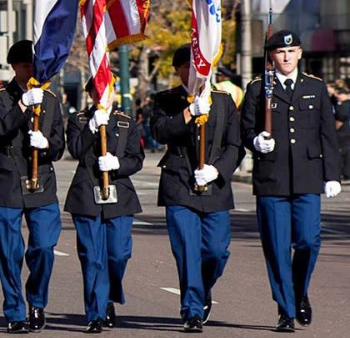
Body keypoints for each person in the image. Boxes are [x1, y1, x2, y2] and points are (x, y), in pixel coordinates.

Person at [240, 29, 342, 331]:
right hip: (272, 178)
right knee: (276, 246)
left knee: (309, 240)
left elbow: (327, 134)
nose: (286, 57)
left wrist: (331, 174)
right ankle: (286, 309)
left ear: (299, 54)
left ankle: (299, 291)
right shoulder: (259, 88)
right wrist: (256, 141)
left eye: (291, 51)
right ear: (272, 56)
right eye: (280, 52)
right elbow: (245, 129)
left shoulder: (315, 87)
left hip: (307, 176)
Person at [151, 44, 243, 332]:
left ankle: (202, 288)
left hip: (214, 184)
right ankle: (191, 309)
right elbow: (160, 132)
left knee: (216, 251)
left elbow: (234, 145)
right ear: (178, 70)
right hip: (179, 183)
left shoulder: (224, 100)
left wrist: (218, 170)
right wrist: (189, 112)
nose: (193, 72)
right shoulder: (166, 99)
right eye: (187, 67)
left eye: (198, 66)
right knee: (188, 250)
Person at [0, 39, 65, 333]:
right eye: (23, 65)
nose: (28, 69)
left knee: (43, 246)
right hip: (8, 177)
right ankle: (15, 311)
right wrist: (21, 105)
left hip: (41, 180)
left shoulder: (52, 100)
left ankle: (37, 301)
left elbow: (59, 146)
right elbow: (2, 129)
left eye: (32, 65)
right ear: (14, 67)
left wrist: (46, 145)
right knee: (9, 252)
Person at [65, 78, 144, 333]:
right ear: (89, 93)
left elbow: (136, 159)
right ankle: (96, 312)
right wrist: (91, 126)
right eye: (97, 91)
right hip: (87, 194)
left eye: (107, 90)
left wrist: (117, 164)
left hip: (119, 195)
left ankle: (108, 294)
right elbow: (76, 150)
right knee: (91, 257)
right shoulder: (78, 120)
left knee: (118, 253)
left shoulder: (125, 121)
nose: (102, 96)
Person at [333, 87, 350, 181]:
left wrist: (333, 131)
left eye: (339, 94)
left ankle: (345, 172)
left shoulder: (343, 106)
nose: (337, 96)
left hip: (343, 133)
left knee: (343, 153)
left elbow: (340, 120)